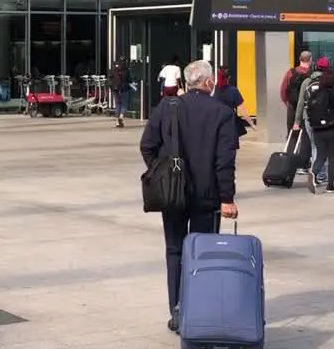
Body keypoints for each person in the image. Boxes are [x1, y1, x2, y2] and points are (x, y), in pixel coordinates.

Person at [139, 60, 238, 334]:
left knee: (175, 250)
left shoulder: (167, 108)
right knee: (203, 252)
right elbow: (224, 161)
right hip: (207, 196)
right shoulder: (222, 113)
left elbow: (147, 145)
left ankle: (176, 310)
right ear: (208, 83)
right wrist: (227, 197)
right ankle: (200, 307)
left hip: (172, 193)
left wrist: (161, 172)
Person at [303, 67, 334, 194]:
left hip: (317, 129)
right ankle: (330, 185)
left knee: (321, 155)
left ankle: (314, 172)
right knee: (333, 157)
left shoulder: (314, 94)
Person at [292, 57, 331, 179]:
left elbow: (300, 103)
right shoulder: (331, 82)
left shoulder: (307, 82)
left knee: (315, 146)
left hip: (309, 118)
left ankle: (316, 173)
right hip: (326, 119)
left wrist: (297, 121)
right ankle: (320, 175)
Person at [213, 67, 253, 149]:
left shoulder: (213, 90)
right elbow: (242, 109)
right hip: (230, 123)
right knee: (231, 150)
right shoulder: (233, 90)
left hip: (216, 123)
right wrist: (251, 124)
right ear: (229, 77)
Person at [280, 51, 313, 133]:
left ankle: (291, 145)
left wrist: (289, 103)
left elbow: (283, 91)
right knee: (307, 134)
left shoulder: (290, 73)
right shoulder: (312, 74)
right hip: (308, 109)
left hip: (292, 106)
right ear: (310, 60)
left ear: (299, 59)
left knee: (292, 133)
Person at [107, 56, 129, 128]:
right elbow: (128, 79)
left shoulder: (113, 68)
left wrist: (112, 86)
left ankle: (117, 122)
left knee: (117, 104)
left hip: (115, 89)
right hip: (123, 89)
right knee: (124, 104)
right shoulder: (125, 69)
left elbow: (109, 77)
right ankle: (121, 116)